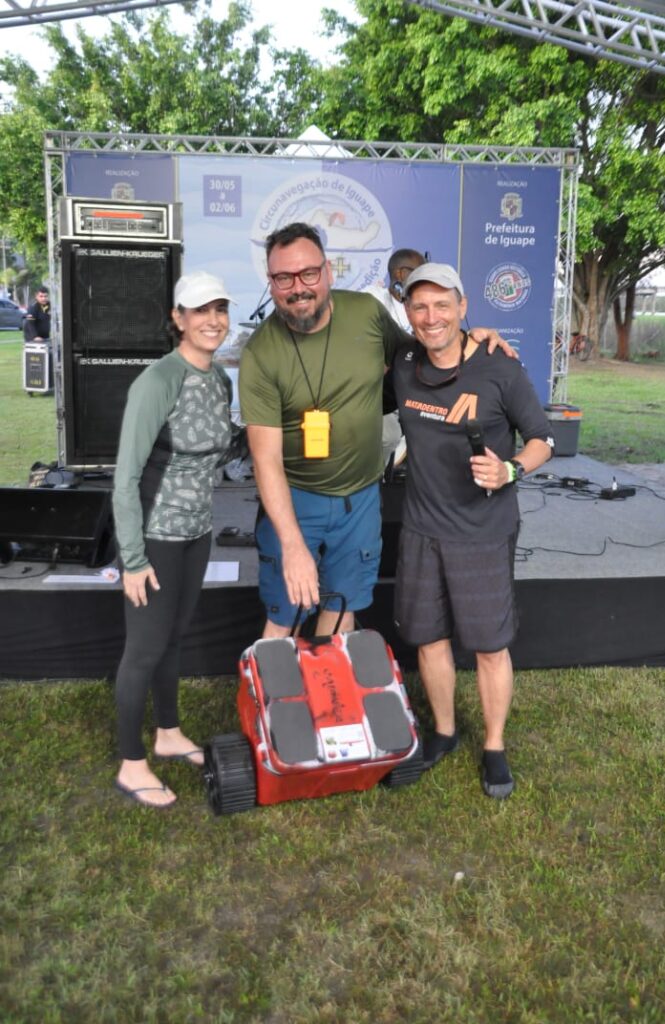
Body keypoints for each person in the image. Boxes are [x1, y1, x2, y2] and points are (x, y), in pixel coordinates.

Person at [238, 222, 516, 639]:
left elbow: (421, 351)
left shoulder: (366, 315)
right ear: (271, 282)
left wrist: (468, 338)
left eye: (308, 273)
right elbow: (265, 459)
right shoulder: (261, 352)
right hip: (296, 500)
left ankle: (329, 695)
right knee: (285, 616)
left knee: (342, 607)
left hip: (360, 500)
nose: (298, 287)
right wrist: (292, 543)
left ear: (327, 271)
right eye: (283, 277)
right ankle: (277, 701)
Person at [390, 263, 554, 799]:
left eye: (442, 305)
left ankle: (494, 746)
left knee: (487, 646)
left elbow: (542, 439)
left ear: (464, 308)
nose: (431, 316)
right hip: (421, 528)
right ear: (408, 313)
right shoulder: (404, 360)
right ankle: (443, 732)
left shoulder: (498, 366)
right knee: (430, 639)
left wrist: (511, 469)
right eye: (419, 306)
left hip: (482, 531)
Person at [112, 270, 234, 808]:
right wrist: (133, 560)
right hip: (155, 537)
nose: (212, 320)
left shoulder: (219, 379)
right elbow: (125, 478)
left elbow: (218, 451)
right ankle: (130, 763)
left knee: (175, 638)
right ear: (178, 319)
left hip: (197, 532)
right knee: (143, 650)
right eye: (200, 310)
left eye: (220, 309)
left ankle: (167, 733)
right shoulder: (158, 381)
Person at [367, 248, 426, 466]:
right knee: (389, 437)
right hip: (381, 391)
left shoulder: (419, 302)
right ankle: (378, 484)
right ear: (401, 274)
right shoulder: (372, 299)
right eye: (419, 271)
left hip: (416, 385)